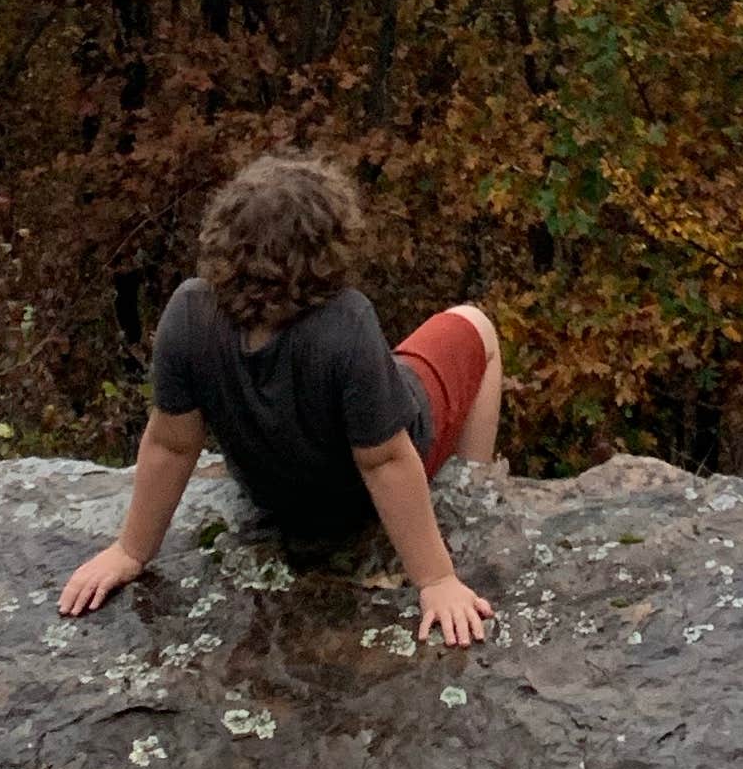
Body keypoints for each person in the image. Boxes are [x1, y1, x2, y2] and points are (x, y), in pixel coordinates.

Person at [57, 152, 503, 647]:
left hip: (271, 495)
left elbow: (172, 445)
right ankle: (470, 488)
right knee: (475, 326)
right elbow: (386, 463)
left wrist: (130, 550)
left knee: (382, 371)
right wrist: (437, 581)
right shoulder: (346, 322)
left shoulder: (188, 314)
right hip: (358, 496)